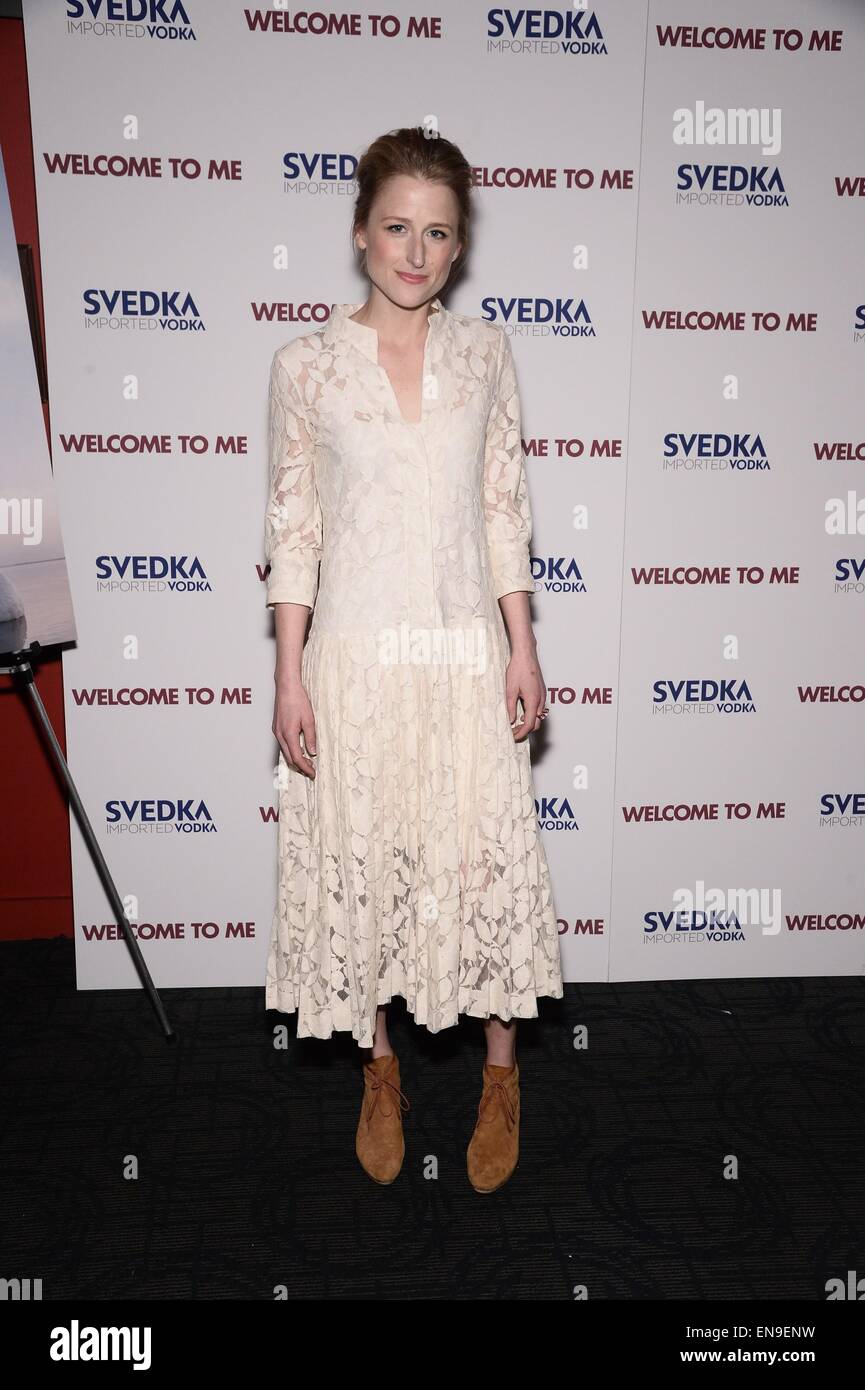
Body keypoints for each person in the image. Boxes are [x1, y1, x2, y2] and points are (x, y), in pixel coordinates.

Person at [263, 126, 563, 1192]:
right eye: (396, 226)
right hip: (351, 659)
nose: (414, 250)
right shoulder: (303, 368)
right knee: (370, 861)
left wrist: (522, 645)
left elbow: (501, 511)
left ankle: (499, 1077)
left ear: (457, 247)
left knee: (477, 865)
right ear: (359, 231)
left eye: (437, 232)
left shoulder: (486, 355)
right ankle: (378, 1067)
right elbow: (294, 527)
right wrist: (289, 673)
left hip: (460, 657)